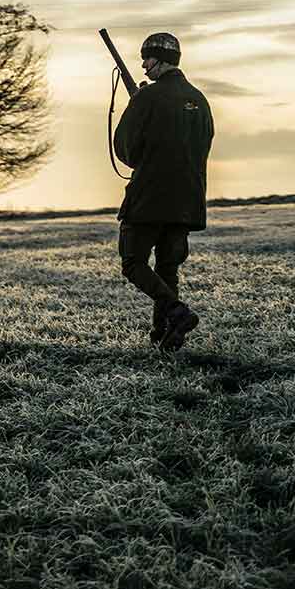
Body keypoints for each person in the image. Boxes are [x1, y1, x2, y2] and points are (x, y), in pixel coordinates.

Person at [112, 32, 214, 351]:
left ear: (159, 60)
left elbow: (126, 150)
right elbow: (203, 145)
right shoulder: (200, 99)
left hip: (149, 197)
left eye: (146, 58)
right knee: (168, 268)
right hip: (187, 200)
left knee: (133, 263)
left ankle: (176, 312)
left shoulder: (147, 98)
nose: (142, 65)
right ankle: (163, 335)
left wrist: (138, 106)